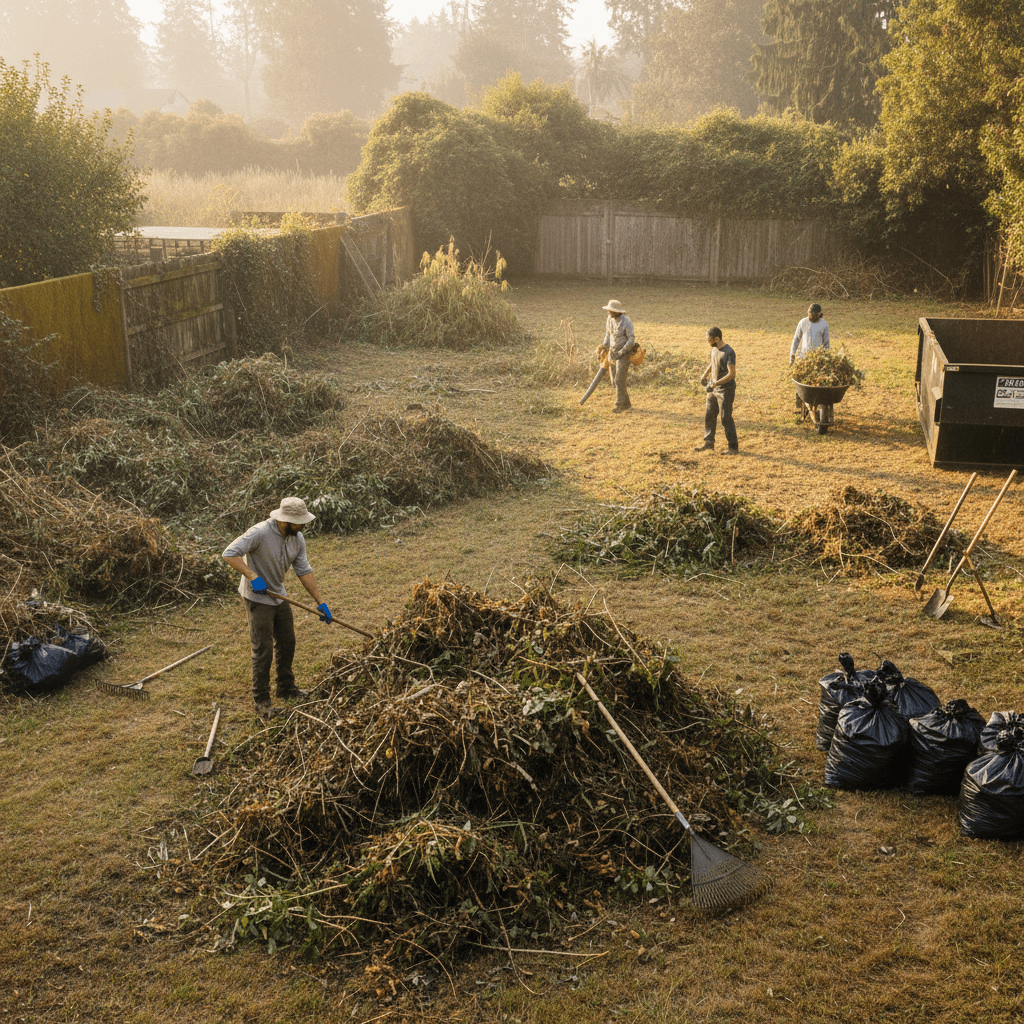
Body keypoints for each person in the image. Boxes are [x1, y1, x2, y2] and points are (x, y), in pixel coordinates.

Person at [222, 496, 333, 718]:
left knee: (287, 641)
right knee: (262, 649)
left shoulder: (297, 538)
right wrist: (253, 576)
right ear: (286, 519)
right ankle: (262, 702)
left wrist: (320, 602)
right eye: (299, 521)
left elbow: (304, 570)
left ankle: (286, 688)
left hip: (278, 596)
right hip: (257, 598)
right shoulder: (260, 532)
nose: (303, 525)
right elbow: (229, 554)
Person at [696, 327, 738, 453]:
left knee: (726, 418)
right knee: (709, 415)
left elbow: (732, 374)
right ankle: (709, 443)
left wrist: (715, 384)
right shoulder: (715, 349)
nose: (708, 342)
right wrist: (704, 375)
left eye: (709, 340)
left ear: (717, 339)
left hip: (726, 390)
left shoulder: (728, 352)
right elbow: (712, 362)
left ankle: (733, 448)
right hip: (713, 388)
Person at [789, 302, 830, 414]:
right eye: (809, 314)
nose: (811, 317)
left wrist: (825, 359)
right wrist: (792, 356)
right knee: (800, 381)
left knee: (815, 384)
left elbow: (826, 344)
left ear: (819, 314)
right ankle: (801, 407)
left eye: (813, 315)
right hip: (803, 357)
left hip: (817, 359)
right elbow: (796, 340)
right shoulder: (803, 323)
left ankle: (815, 406)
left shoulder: (824, 325)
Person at [600, 299, 637, 413]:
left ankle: (619, 405)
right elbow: (608, 334)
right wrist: (604, 347)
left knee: (619, 380)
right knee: (614, 381)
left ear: (617, 311)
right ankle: (626, 404)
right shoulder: (609, 319)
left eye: (611, 311)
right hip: (613, 352)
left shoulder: (626, 321)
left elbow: (631, 339)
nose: (609, 313)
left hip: (624, 353)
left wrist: (621, 352)